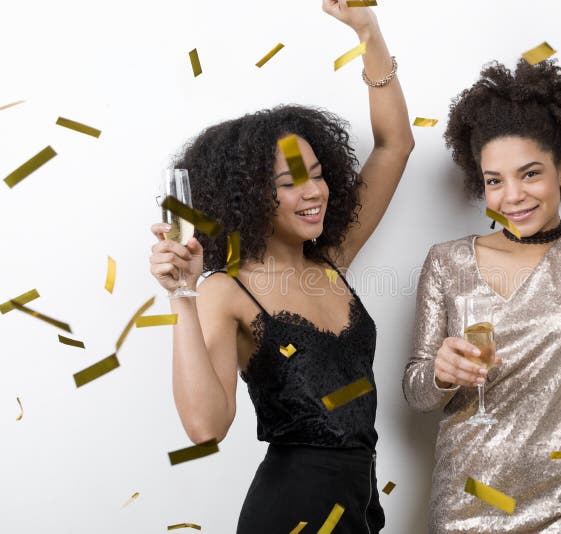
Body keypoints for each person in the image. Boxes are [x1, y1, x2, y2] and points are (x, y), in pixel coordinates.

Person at [148, 2, 414, 532]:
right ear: (248, 197)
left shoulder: (331, 261)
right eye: (290, 182)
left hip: (360, 509)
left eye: (316, 174)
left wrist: (368, 30)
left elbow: (395, 144)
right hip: (290, 513)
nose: (314, 191)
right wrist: (182, 294)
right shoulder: (226, 290)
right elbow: (205, 427)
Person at [402, 0, 561, 531]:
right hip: (465, 502)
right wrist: (440, 373)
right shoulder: (446, 262)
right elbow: (417, 392)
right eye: (494, 180)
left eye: (530, 173)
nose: (512, 195)